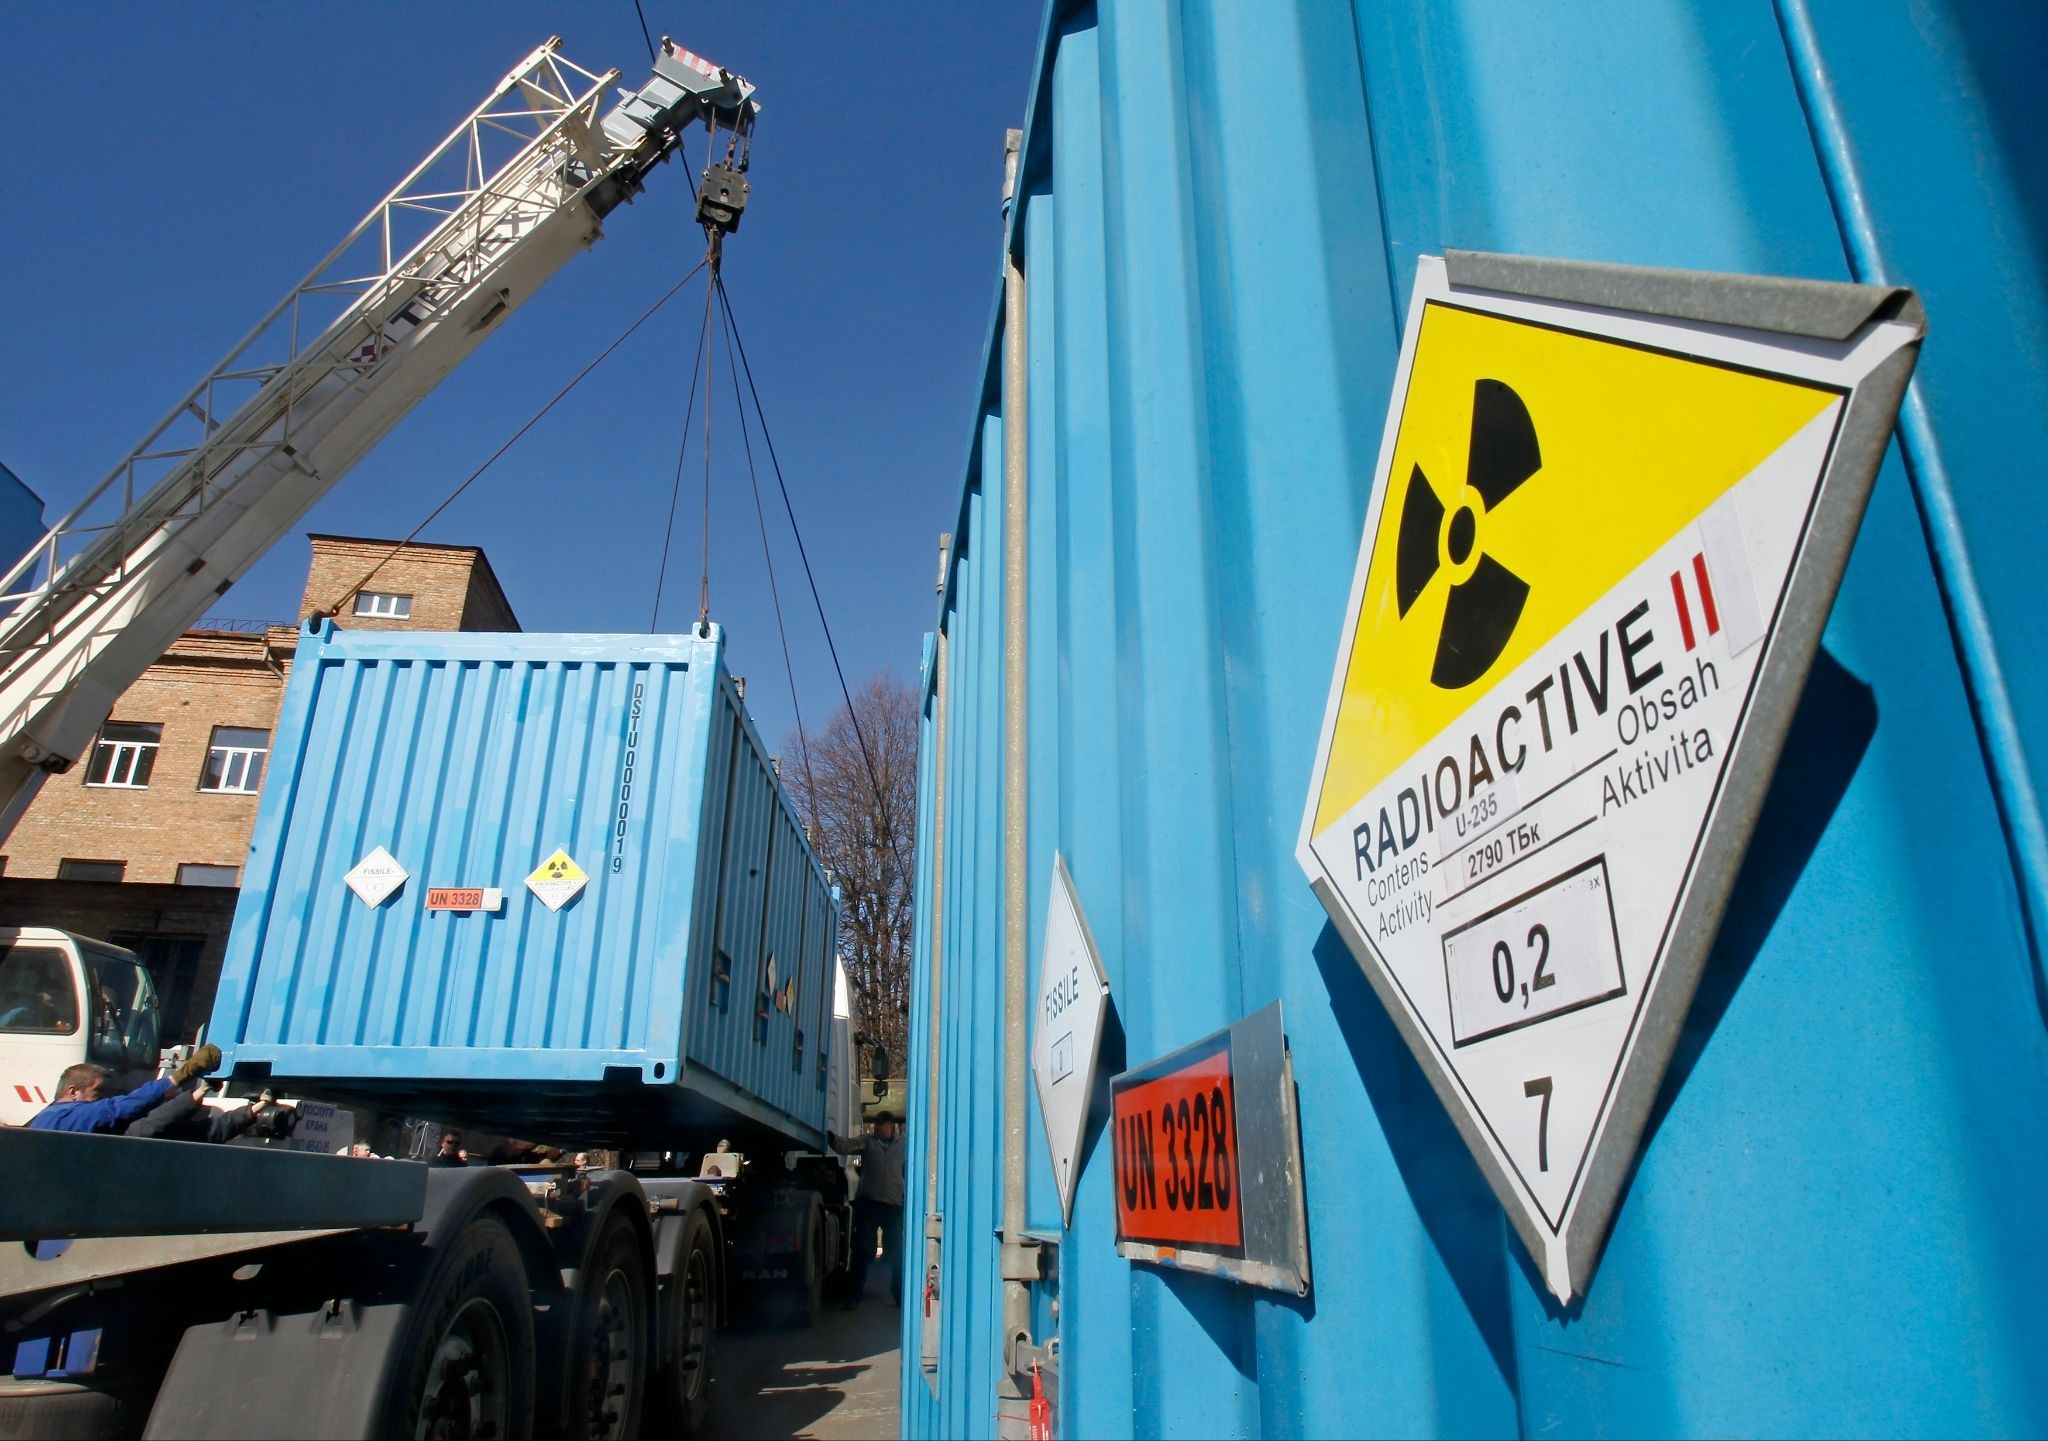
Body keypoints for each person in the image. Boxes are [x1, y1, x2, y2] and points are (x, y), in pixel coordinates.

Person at [28, 1045, 221, 1135]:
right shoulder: (67, 1115)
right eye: (97, 1091)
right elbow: (119, 1108)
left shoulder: (42, 1118)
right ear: (73, 1092)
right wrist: (182, 1075)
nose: (100, 1099)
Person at [830, 1113, 906, 1306]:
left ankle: (899, 1294)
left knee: (897, 1252)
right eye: (877, 1126)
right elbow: (847, 1145)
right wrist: (833, 1140)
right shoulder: (868, 1142)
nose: (878, 1129)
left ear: (892, 1127)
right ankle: (854, 1295)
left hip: (893, 1205)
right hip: (869, 1203)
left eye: (882, 1126)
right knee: (862, 1250)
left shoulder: (903, 1146)